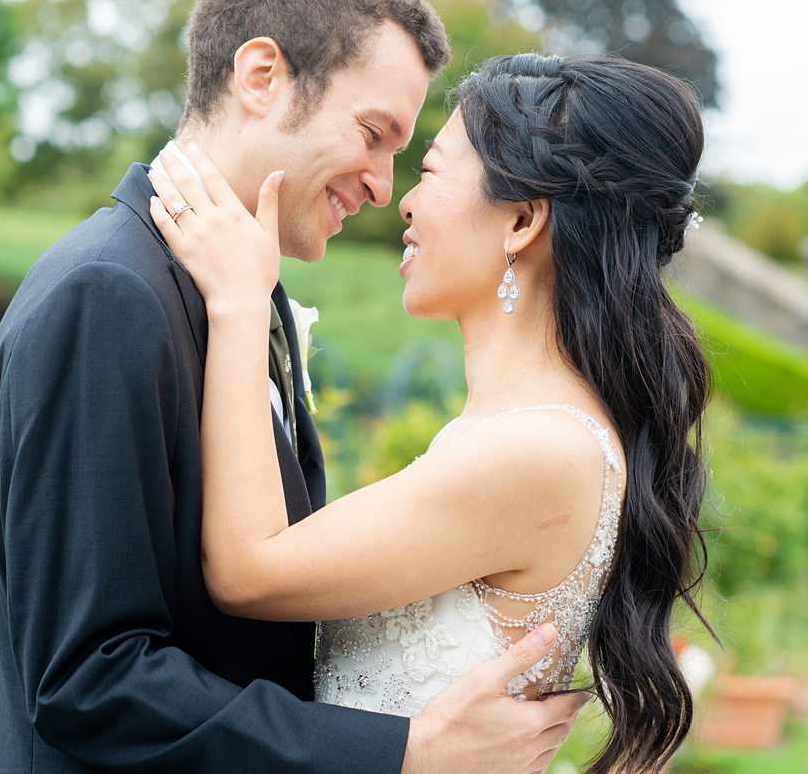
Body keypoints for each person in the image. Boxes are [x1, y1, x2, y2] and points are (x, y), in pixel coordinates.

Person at [0, 0, 587, 773]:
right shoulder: (109, 293)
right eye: (373, 134)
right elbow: (87, 676)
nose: (383, 185)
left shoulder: (241, 294)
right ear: (261, 76)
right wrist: (400, 751)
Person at [148, 52, 712, 774]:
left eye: (431, 171)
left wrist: (238, 302)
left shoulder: (539, 449)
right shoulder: (518, 434)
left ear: (523, 221)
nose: (400, 201)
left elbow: (247, 569)